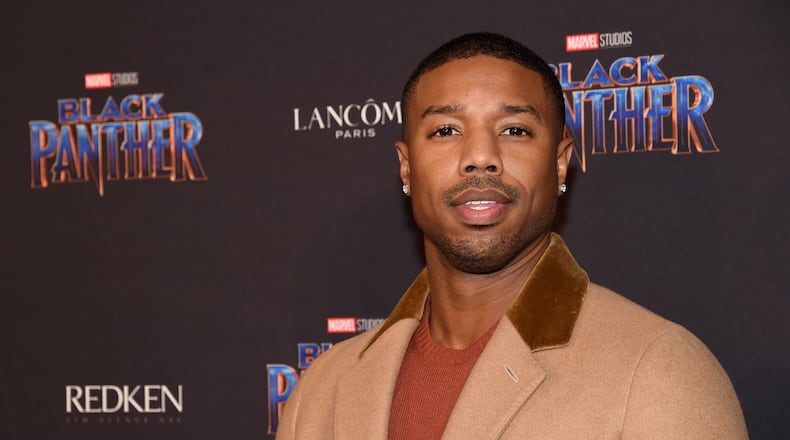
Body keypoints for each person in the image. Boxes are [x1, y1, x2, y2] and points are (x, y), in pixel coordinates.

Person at [275, 32, 748, 439]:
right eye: (445, 129)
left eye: (516, 129)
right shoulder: (321, 389)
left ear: (561, 163)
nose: (480, 156)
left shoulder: (659, 371)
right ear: (406, 166)